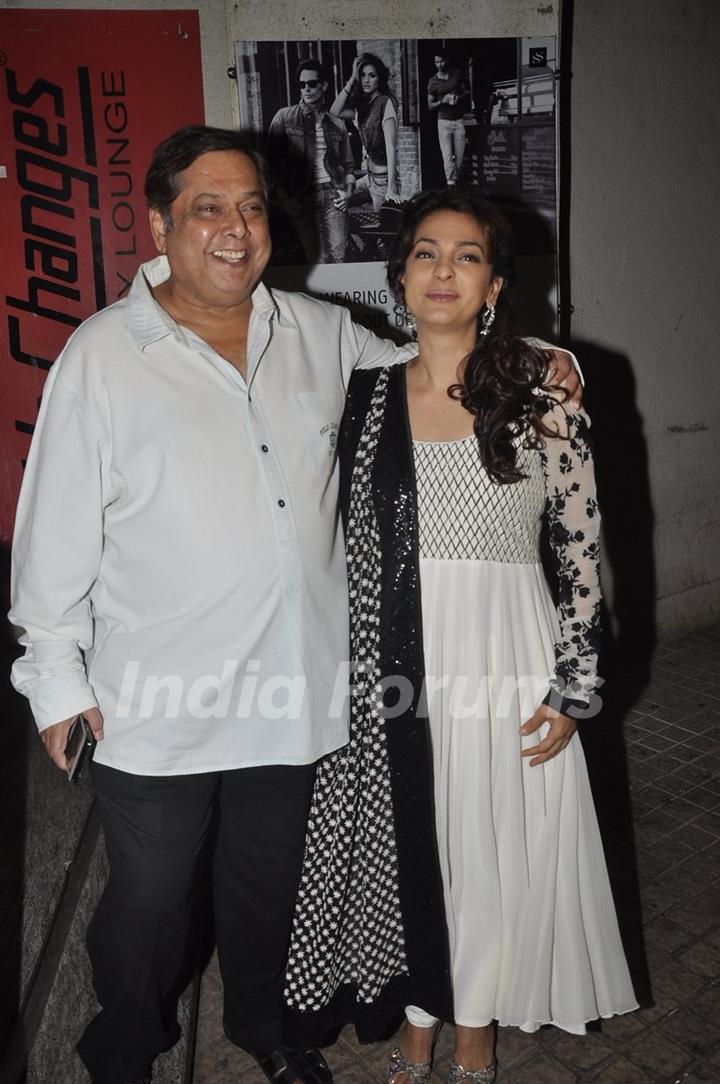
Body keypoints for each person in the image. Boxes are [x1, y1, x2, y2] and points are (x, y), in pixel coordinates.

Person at [9, 125, 577, 1084]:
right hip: (159, 700)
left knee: (268, 887)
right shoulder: (101, 359)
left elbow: (434, 365)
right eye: (206, 208)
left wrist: (532, 352)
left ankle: (263, 1031)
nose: (235, 229)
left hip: (292, 688)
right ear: (158, 224)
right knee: (150, 900)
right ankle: (124, 1047)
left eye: (252, 206)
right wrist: (54, 680)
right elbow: (52, 530)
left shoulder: (320, 335)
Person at [283, 189, 637, 1082]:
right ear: (399, 275)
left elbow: (583, 546)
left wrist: (576, 682)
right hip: (393, 650)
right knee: (415, 839)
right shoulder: (361, 396)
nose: (444, 271)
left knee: (487, 843)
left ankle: (471, 1026)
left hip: (506, 649)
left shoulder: (540, 389)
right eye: (427, 253)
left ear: (493, 282)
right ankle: (417, 1011)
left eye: (467, 255)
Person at [268, 58, 356, 263]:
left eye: (312, 83)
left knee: (339, 256)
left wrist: (349, 192)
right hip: (300, 197)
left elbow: (349, 165)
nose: (306, 89)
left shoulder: (337, 124)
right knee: (317, 258)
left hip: (333, 194)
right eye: (302, 84)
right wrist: (288, 201)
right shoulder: (284, 118)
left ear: (324, 85)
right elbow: (269, 166)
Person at [330, 52, 402, 211]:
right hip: (368, 179)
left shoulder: (385, 103)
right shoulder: (362, 107)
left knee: (384, 233)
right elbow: (334, 113)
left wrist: (391, 188)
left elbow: (391, 147)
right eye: (362, 75)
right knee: (336, 198)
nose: (366, 80)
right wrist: (351, 79)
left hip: (383, 182)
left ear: (380, 78)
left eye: (372, 75)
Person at [427, 50, 469, 186]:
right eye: (436, 62)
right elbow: (430, 106)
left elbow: (466, 93)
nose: (439, 64)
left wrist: (459, 98)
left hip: (458, 120)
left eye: (442, 61)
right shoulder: (432, 82)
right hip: (443, 121)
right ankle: (451, 186)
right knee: (447, 157)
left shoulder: (456, 74)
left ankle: (456, 182)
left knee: (460, 159)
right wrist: (442, 101)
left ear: (447, 60)